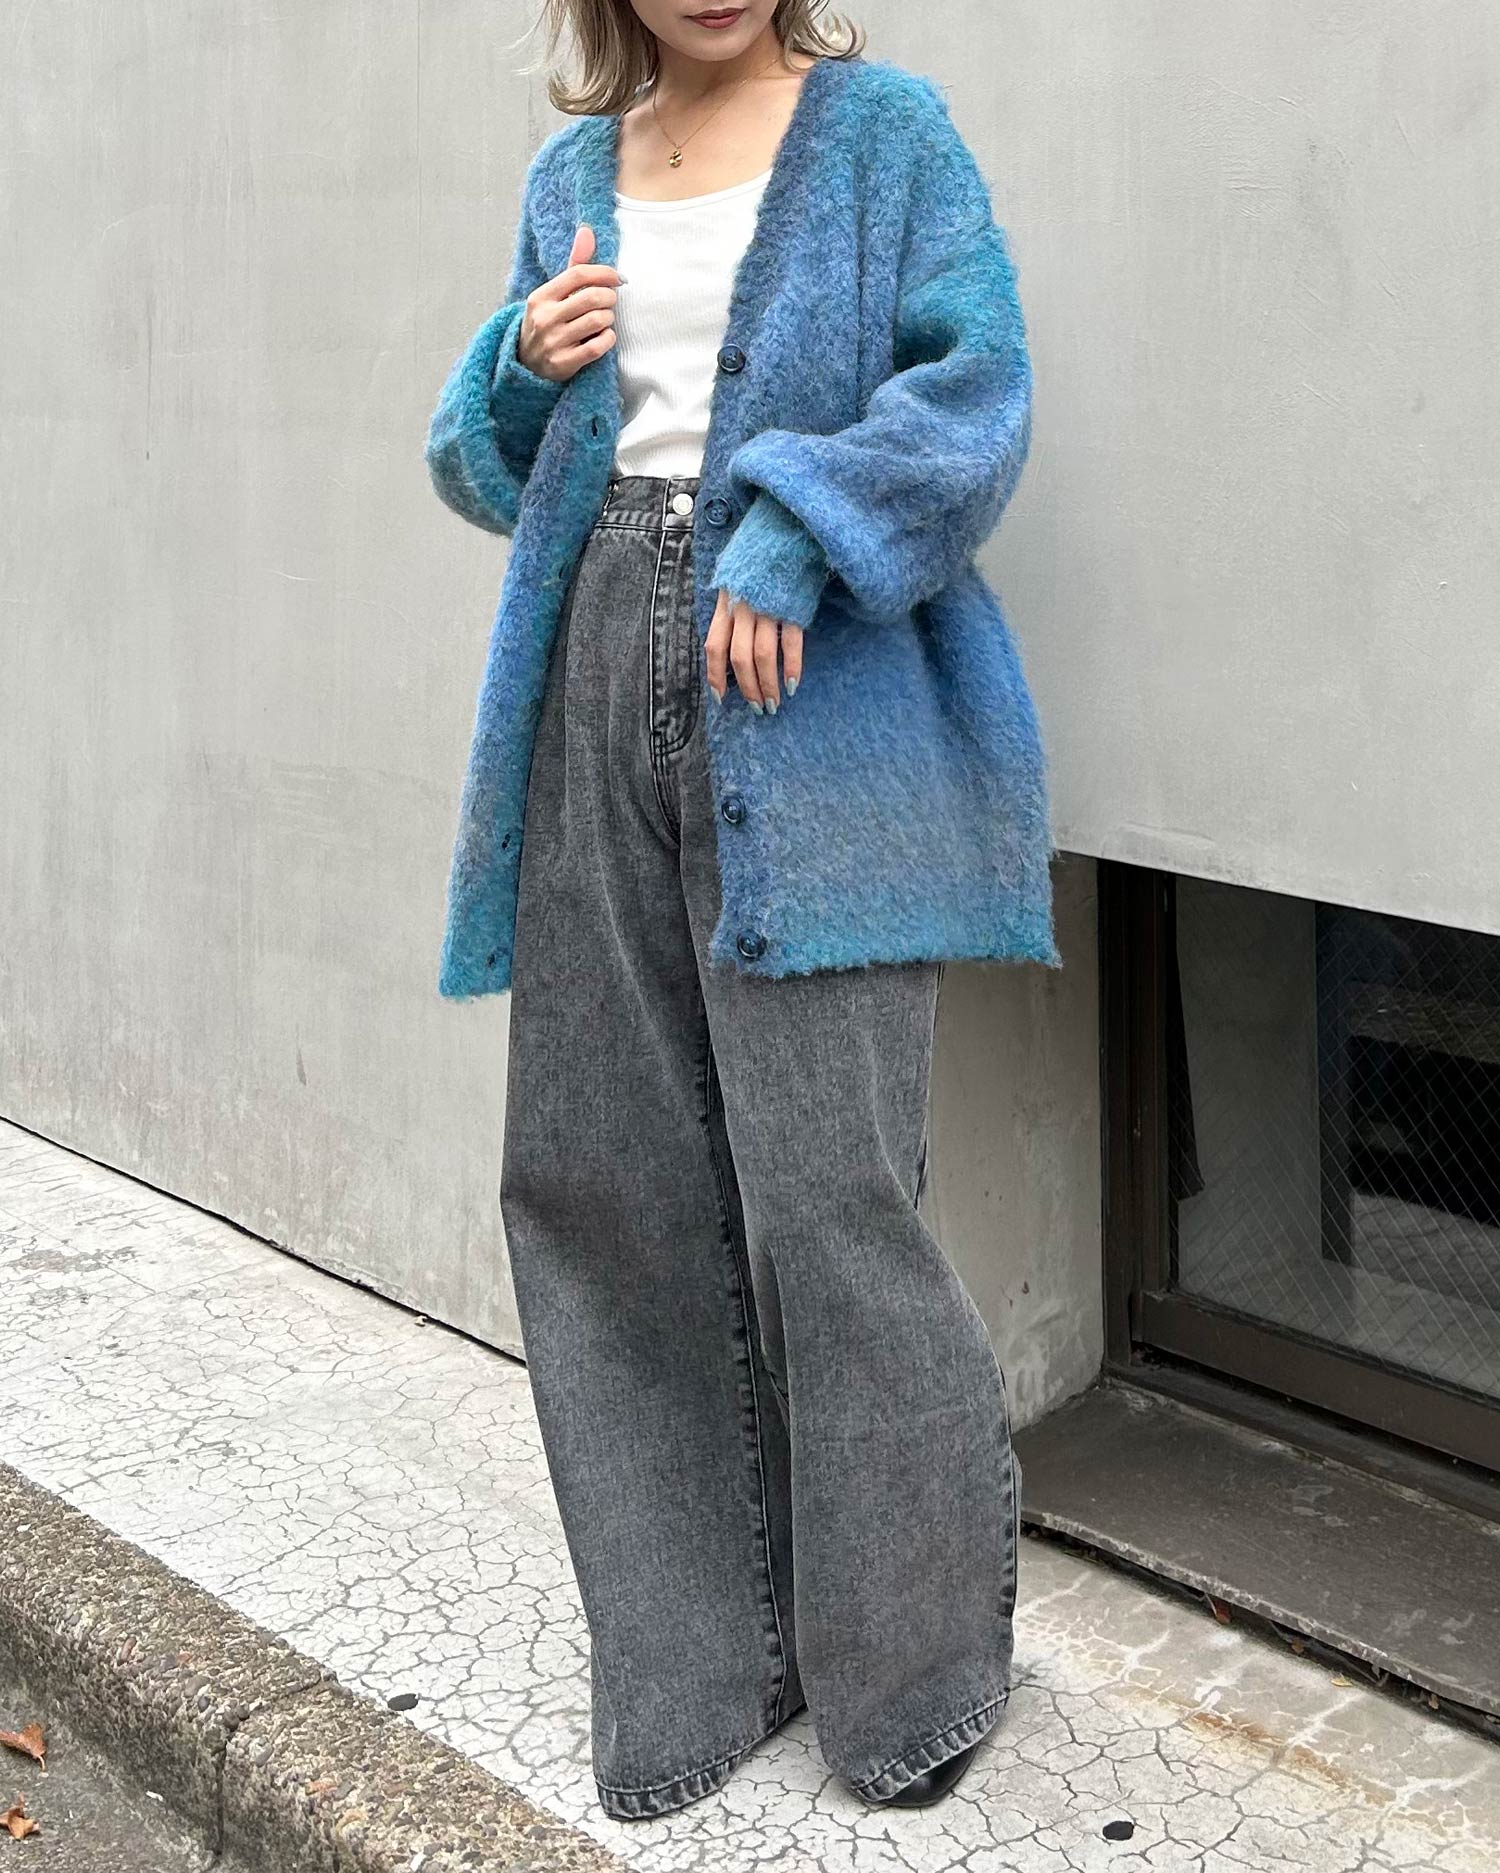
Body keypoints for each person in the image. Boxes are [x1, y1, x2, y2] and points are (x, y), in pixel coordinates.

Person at [424, 0, 1059, 1823]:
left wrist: (791, 531)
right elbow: (488, 472)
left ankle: (912, 1670)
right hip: (593, 671)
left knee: (834, 1188)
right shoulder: (570, 176)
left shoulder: (887, 136)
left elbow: (977, 390)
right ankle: (698, 1658)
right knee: (597, 1175)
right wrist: (512, 369)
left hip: (812, 682)